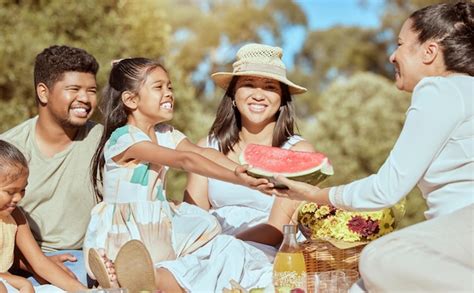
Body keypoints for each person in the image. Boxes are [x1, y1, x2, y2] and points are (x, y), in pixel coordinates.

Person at [269, 1, 474, 291]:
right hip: (456, 237)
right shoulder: (465, 90)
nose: (392, 55)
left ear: (429, 52)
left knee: (379, 257)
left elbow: (386, 189)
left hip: (464, 229)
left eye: (401, 44)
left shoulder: (438, 89)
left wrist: (315, 194)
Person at [84, 57, 273, 292]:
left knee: (200, 238)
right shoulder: (124, 138)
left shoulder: (166, 133)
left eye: (170, 87)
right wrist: (239, 180)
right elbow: (186, 160)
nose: (168, 93)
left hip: (155, 223)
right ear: (131, 100)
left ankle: (138, 279)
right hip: (126, 224)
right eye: (158, 87)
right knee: (133, 257)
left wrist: (237, 169)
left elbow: (201, 152)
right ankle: (114, 273)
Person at [185, 43, 315, 258]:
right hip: (206, 248)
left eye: (270, 87)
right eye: (248, 84)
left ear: (282, 99)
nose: (258, 95)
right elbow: (194, 216)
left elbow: (276, 230)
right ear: (234, 94)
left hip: (265, 252)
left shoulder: (299, 152)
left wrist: (222, 249)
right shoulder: (206, 147)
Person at [0, 45, 102, 286]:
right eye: (74, 89)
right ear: (43, 93)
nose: (85, 99)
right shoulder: (9, 152)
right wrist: (31, 264)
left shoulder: (104, 142)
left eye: (91, 90)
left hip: (83, 257)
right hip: (19, 265)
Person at [0, 140, 87, 292]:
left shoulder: (15, 216)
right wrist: (22, 283)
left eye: (22, 190)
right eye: (10, 192)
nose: (18, 198)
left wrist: (82, 291)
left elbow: (40, 263)